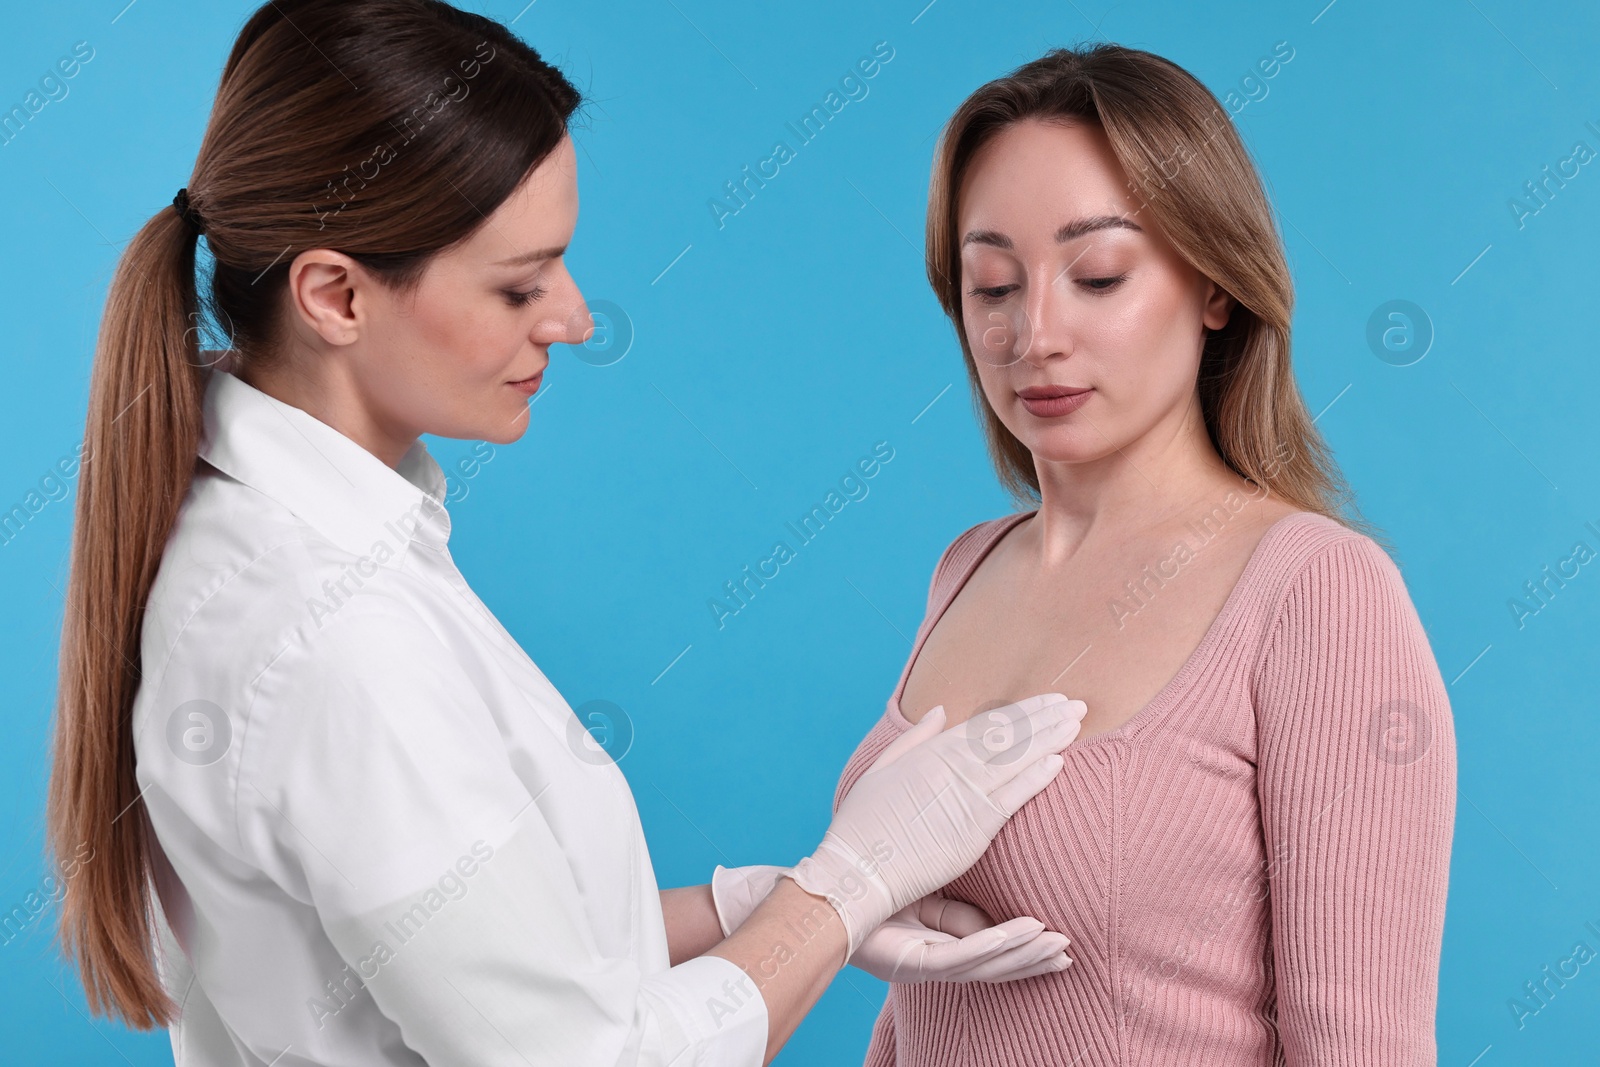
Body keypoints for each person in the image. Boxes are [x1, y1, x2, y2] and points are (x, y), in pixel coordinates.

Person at [42, 3, 1088, 1064]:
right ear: (335, 296)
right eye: (518, 284)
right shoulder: (333, 639)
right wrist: (846, 883)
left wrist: (746, 911)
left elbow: (457, 959)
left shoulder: (280, 537)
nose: (576, 318)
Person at [727, 44, 1457, 1065]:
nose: (1035, 333)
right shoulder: (967, 568)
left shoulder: (1317, 596)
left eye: (1098, 275)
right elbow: (923, 1016)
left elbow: (1362, 1048)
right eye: (990, 285)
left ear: (1214, 286)